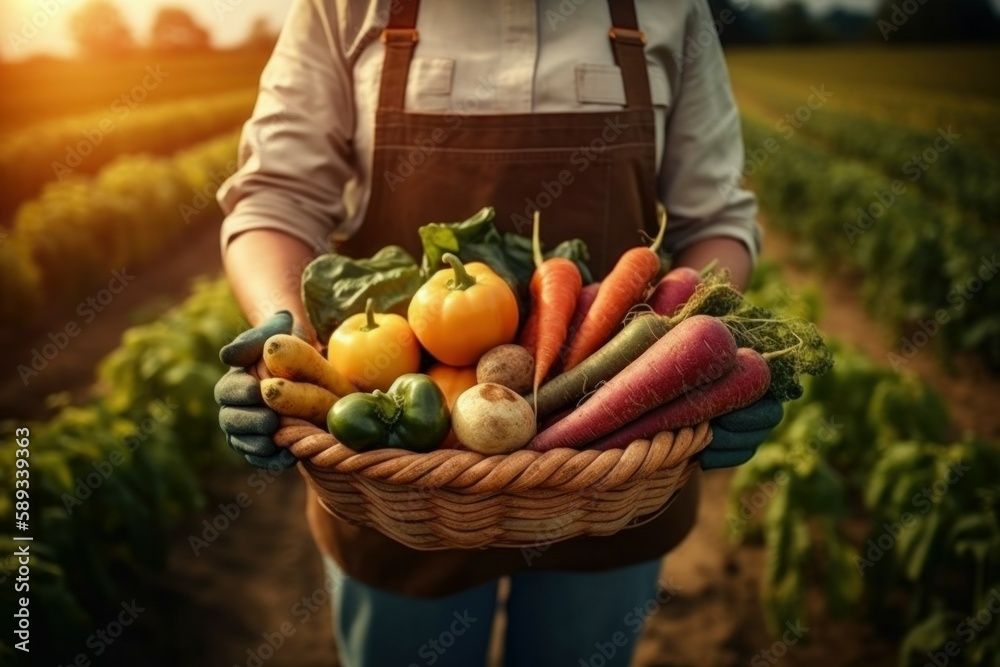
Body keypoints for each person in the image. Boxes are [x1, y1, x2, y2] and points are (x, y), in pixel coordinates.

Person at [214, 1, 783, 665]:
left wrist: (698, 365)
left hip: (614, 473)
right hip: (403, 474)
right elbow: (275, 196)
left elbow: (714, 215)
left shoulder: (667, 9)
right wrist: (283, 331)